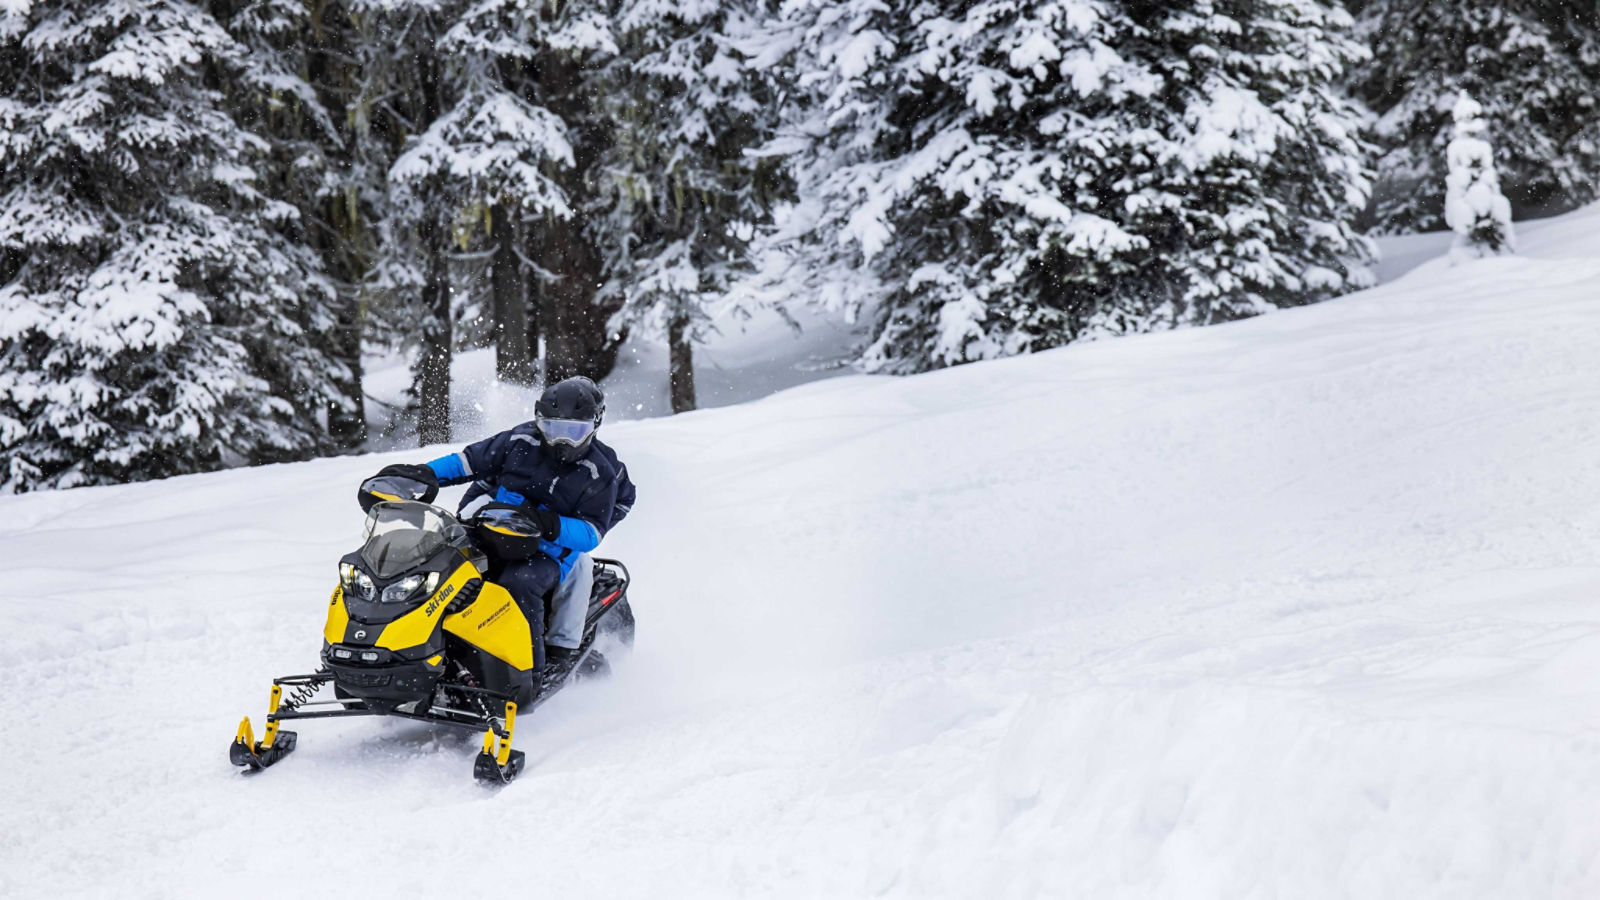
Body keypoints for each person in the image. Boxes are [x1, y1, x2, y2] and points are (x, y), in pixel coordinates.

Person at [372, 377, 635, 675]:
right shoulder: (520, 440)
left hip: (549, 549)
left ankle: (529, 671)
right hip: (496, 530)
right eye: (552, 428)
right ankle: (414, 644)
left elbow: (591, 532)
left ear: (594, 426)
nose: (561, 441)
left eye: (573, 432)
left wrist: (547, 523)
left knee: (518, 583)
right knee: (442, 563)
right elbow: (467, 461)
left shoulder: (599, 471)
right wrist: (424, 474)